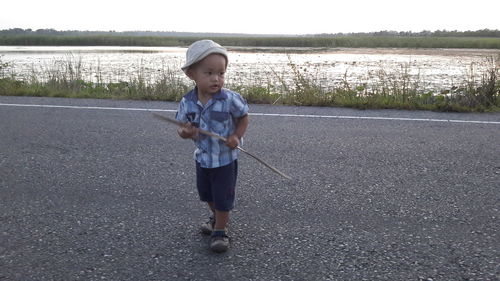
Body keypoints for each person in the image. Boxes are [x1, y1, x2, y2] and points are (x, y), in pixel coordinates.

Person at [175, 40, 249, 253]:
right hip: (203, 159)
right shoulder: (187, 102)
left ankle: (220, 231)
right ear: (192, 74)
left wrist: (236, 135)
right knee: (206, 195)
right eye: (209, 73)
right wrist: (185, 132)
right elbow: (181, 129)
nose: (217, 79)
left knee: (223, 197)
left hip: (225, 160)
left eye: (221, 73)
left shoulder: (229, 99)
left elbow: (244, 117)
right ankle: (217, 217)